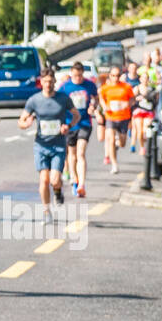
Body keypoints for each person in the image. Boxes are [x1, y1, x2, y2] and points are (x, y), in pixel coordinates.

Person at [18, 67, 79, 223]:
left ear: (54, 82)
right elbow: (21, 121)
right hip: (41, 145)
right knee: (44, 180)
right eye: (45, 81)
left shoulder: (63, 98)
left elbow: (76, 115)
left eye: (50, 81)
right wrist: (27, 123)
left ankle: (57, 190)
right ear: (41, 82)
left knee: (54, 179)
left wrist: (69, 126)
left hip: (58, 145)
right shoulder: (34, 100)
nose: (48, 84)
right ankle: (46, 210)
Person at [57, 62, 99, 198]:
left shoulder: (89, 85)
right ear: (71, 74)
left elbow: (96, 97)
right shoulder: (65, 87)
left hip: (85, 122)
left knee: (81, 153)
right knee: (72, 155)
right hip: (70, 124)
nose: (78, 78)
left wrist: (93, 106)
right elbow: (58, 102)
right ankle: (74, 180)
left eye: (80, 75)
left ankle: (81, 184)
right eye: (75, 75)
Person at [98, 65, 135, 173]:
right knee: (111, 140)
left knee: (122, 143)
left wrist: (127, 104)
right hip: (111, 117)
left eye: (118, 75)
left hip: (123, 117)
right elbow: (101, 98)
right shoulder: (106, 87)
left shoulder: (126, 87)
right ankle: (114, 165)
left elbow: (132, 99)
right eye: (113, 75)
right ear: (110, 76)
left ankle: (118, 144)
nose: (115, 78)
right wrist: (104, 106)